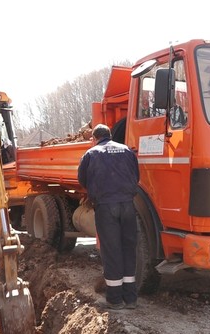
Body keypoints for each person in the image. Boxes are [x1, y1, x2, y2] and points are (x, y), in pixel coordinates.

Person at [77, 123, 140, 310]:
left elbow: (82, 179)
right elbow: (135, 175)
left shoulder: (91, 153)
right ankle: (131, 299)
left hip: (106, 207)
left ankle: (114, 300)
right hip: (128, 205)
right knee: (129, 248)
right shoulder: (127, 150)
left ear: (94, 138)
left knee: (112, 251)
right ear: (110, 135)